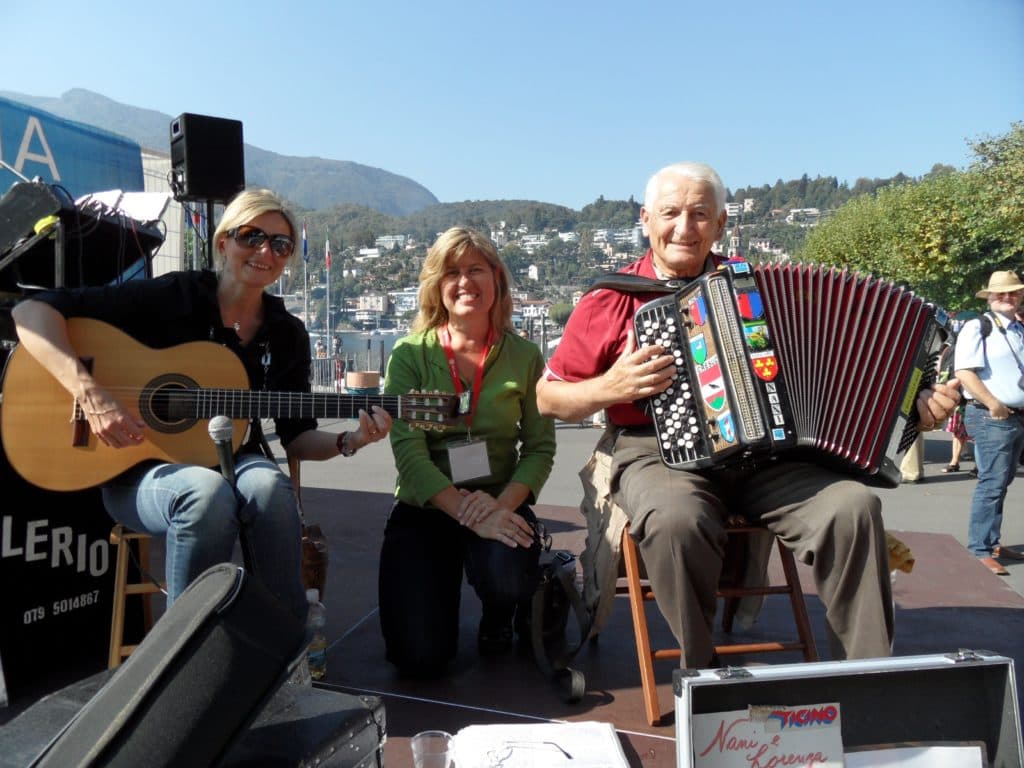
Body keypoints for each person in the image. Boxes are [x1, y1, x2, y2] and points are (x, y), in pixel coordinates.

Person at [535, 162, 962, 667]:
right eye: (670, 213)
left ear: (720, 225)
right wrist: (611, 386)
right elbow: (549, 397)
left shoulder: (755, 287)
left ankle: (865, 677)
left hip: (771, 457)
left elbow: (841, 358)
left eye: (700, 214)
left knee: (852, 509)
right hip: (656, 452)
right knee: (676, 521)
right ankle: (702, 672)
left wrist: (915, 407)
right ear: (646, 220)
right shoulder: (611, 298)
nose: (684, 227)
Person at [11, 188, 392, 621]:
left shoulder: (287, 333)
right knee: (204, 492)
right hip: (134, 469)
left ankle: (282, 645)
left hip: (236, 462)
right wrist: (91, 394)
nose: (266, 251)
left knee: (269, 487)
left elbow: (299, 438)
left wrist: (352, 438)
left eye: (280, 245)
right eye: (252, 236)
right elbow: (32, 312)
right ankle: (186, 657)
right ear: (224, 241)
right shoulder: (178, 295)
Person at [379, 226, 556, 676]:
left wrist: (499, 507)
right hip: (430, 504)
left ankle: (501, 611)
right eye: (452, 272)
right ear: (437, 287)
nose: (465, 282)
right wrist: (465, 511)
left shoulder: (526, 356)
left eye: (476, 269)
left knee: (508, 575)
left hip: (500, 497)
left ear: (496, 279)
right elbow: (410, 456)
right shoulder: (409, 355)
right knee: (418, 658)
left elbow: (539, 448)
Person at [954, 270, 1024, 575]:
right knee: (992, 483)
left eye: (1013, 292)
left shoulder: (1017, 329)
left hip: (1014, 416)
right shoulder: (977, 326)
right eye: (1001, 294)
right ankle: (979, 549)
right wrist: (993, 402)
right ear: (990, 297)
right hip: (990, 415)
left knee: (1002, 481)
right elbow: (964, 371)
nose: (1007, 298)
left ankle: (991, 542)